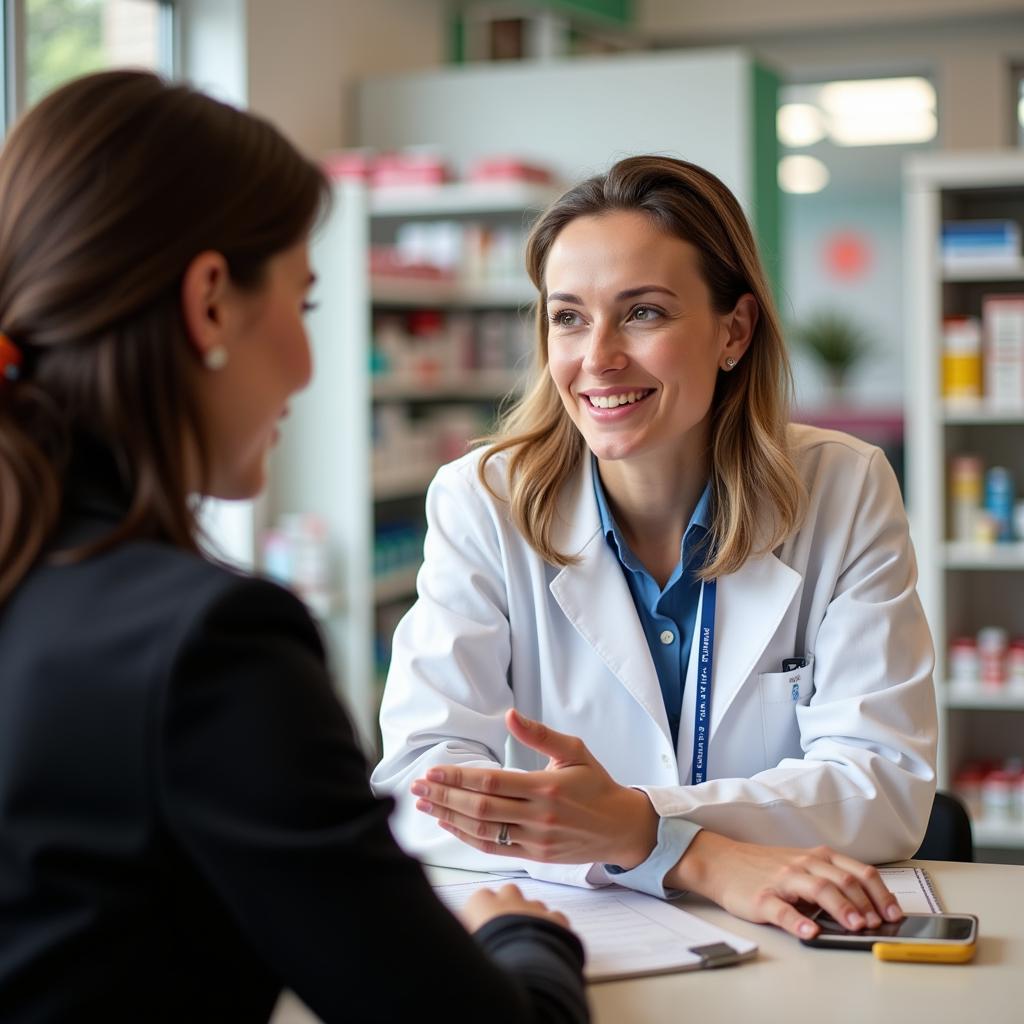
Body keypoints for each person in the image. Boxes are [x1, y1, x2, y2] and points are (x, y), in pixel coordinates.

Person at [0, 71, 589, 1023]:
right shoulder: (208, 646)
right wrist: (529, 938)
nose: (311, 366)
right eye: (305, 306)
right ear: (209, 305)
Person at [372, 155, 938, 941]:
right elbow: (418, 790)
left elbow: (884, 787)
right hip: (588, 941)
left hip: (793, 949)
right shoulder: (483, 500)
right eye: (568, 316)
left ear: (733, 331)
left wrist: (639, 823)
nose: (597, 358)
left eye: (642, 313)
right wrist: (683, 853)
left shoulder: (843, 489)